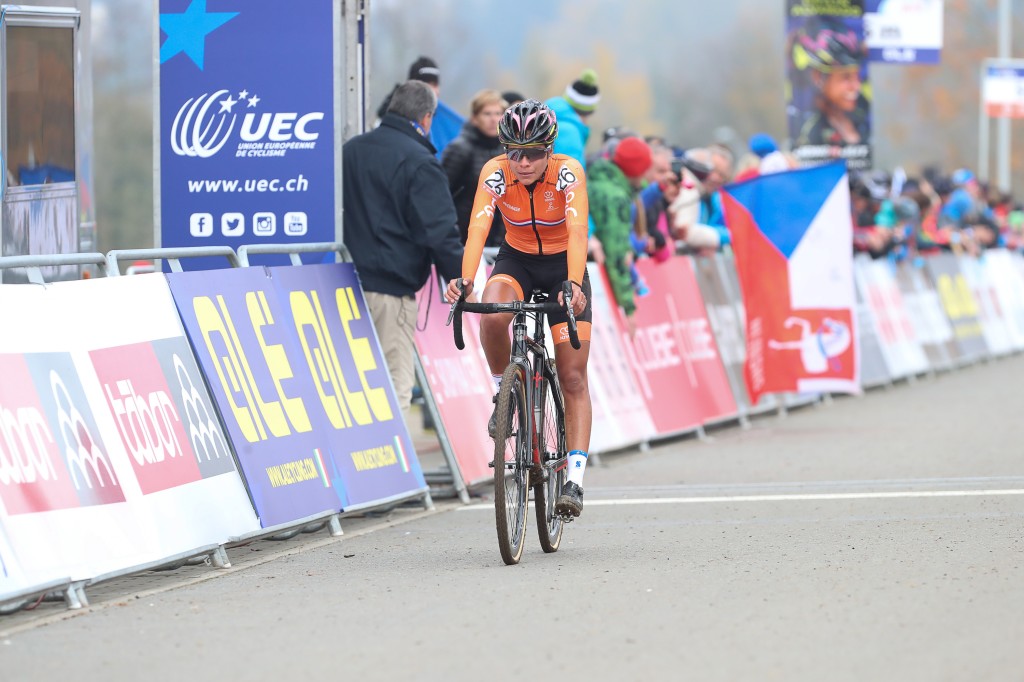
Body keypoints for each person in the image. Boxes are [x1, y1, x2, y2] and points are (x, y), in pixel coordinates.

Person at [443, 99, 592, 518]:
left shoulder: (567, 172)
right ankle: (502, 394)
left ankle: (574, 482)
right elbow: (477, 227)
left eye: (533, 154)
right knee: (492, 313)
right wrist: (466, 277)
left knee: (573, 376)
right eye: (514, 153)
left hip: (565, 265)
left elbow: (578, 230)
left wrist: (575, 284)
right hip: (518, 261)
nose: (523, 162)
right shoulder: (494, 173)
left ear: (549, 150)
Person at [344, 81, 464, 422]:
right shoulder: (420, 161)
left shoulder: (351, 150)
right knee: (394, 381)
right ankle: (394, 471)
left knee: (356, 384)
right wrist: (459, 280)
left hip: (341, 282)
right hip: (390, 289)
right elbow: (441, 231)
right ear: (427, 118)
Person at [588, 135, 653, 332]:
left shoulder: (601, 180)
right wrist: (628, 307)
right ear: (636, 170)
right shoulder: (615, 197)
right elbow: (615, 255)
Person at [440, 89, 508, 245]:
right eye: (487, 114)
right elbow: (440, 197)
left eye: (498, 113)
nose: (493, 119)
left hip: (497, 243)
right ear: (474, 118)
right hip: (463, 239)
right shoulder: (459, 149)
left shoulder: (507, 151)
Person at [792, 17, 869, 148]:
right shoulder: (804, 126)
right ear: (817, 77)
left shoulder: (863, 113)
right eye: (845, 77)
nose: (856, 87)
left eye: (857, 76)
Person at [375, 56, 463, 155]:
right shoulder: (384, 122)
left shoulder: (447, 121)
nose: (435, 91)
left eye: (436, 85)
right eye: (428, 84)